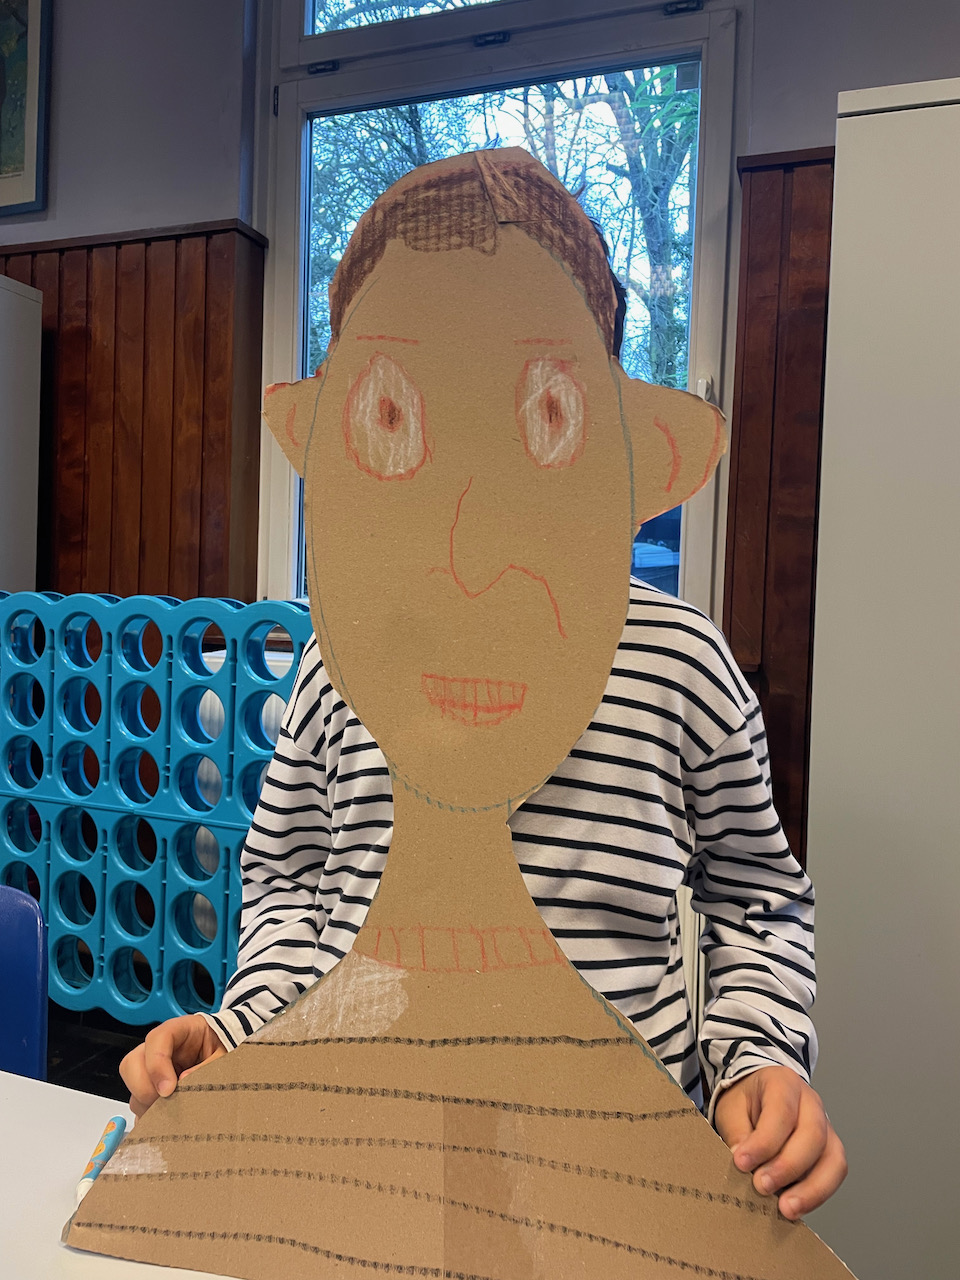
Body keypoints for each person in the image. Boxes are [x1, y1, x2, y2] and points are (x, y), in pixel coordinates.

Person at [120, 148, 846, 1223]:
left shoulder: (681, 664)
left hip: (614, 1192)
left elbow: (756, 895)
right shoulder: (336, 660)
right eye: (396, 418)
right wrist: (244, 1027)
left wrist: (758, 1056)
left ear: (622, 449)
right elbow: (292, 878)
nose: (468, 531)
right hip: (363, 1173)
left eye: (544, 417)